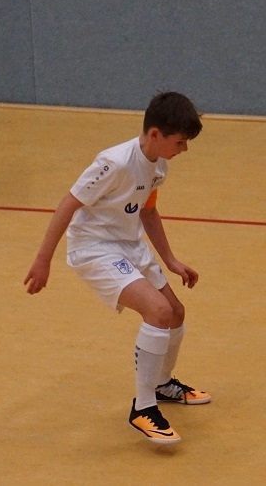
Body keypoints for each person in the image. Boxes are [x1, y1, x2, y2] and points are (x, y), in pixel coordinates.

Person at [24, 91, 209, 444]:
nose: (184, 149)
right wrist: (43, 260)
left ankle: (162, 384)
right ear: (154, 134)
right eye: (180, 142)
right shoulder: (114, 163)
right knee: (158, 312)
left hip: (129, 244)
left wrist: (171, 261)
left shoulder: (159, 166)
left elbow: (148, 212)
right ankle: (143, 408)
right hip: (94, 247)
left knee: (175, 312)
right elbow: (68, 205)